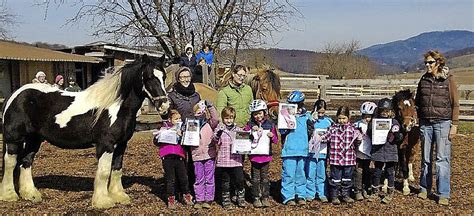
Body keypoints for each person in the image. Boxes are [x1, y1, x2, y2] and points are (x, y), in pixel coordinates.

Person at [415, 50, 460, 206]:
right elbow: (418, 101)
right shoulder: (424, 79)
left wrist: (454, 125)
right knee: (425, 159)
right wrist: (419, 119)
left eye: (430, 62)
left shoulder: (449, 80)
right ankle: (424, 188)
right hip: (426, 124)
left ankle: (443, 193)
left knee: (442, 159)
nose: (427, 65)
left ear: (438, 63)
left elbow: (455, 103)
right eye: (426, 63)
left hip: (443, 123)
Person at [318, 106, 361, 205]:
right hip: (335, 158)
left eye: (344, 118)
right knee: (335, 179)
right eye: (340, 118)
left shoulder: (353, 129)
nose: (341, 121)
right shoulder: (333, 129)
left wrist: (359, 138)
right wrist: (317, 137)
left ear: (348, 118)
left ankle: (346, 195)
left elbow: (357, 142)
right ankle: (334, 196)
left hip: (348, 159)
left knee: (347, 178)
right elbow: (325, 138)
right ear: (337, 118)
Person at [152, 110, 193, 209]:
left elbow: (187, 141)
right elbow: (156, 141)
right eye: (176, 119)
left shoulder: (182, 129)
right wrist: (161, 136)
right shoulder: (163, 128)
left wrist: (182, 135)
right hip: (167, 157)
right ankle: (171, 198)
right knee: (170, 179)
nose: (179, 120)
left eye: (179, 118)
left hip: (179, 156)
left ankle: (186, 195)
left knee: (183, 178)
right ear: (170, 119)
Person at [280, 91, 314, 206]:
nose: (295, 107)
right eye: (292, 104)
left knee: (301, 174)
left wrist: (311, 126)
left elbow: (311, 131)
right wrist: (287, 121)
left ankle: (301, 195)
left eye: (297, 104)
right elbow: (282, 131)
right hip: (289, 149)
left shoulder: (307, 116)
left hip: (302, 149)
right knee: (288, 174)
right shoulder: (284, 113)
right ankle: (288, 196)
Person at [367, 98, 403, 204]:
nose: (384, 113)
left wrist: (397, 135)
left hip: (390, 151)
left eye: (387, 111)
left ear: (391, 111)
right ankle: (375, 191)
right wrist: (372, 130)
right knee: (377, 172)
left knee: (390, 172)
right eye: (382, 110)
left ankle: (390, 192)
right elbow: (369, 134)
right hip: (378, 150)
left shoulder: (394, 122)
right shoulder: (375, 121)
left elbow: (399, 136)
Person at [244, 100, 278, 208]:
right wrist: (249, 131)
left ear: (264, 112)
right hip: (254, 157)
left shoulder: (270, 124)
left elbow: (276, 140)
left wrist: (272, 135)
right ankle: (255, 197)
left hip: (266, 156)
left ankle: (265, 197)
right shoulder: (250, 124)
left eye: (259, 113)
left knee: (265, 178)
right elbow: (244, 137)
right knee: (255, 178)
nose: (257, 116)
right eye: (255, 114)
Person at [213, 107, 247, 209]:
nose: (229, 120)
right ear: (223, 119)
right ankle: (226, 199)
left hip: (236, 160)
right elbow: (214, 140)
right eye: (226, 118)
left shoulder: (238, 130)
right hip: (224, 160)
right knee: (225, 181)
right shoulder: (220, 129)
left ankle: (240, 197)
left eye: (231, 118)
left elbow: (245, 140)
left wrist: (250, 137)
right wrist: (218, 134)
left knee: (240, 180)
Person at [188, 100, 219, 209]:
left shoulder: (210, 123)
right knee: (199, 178)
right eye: (197, 112)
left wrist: (210, 106)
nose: (200, 113)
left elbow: (216, 118)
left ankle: (209, 199)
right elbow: (186, 137)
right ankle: (199, 199)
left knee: (209, 178)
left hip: (209, 155)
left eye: (202, 111)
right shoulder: (191, 125)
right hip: (196, 155)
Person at [306, 99, 333, 203]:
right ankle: (310, 193)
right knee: (310, 173)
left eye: (323, 112)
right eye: (319, 111)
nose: (321, 114)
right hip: (311, 152)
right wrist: (312, 121)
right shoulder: (310, 118)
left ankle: (322, 193)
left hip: (322, 152)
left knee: (321, 173)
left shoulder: (328, 121)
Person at [353, 101, 377, 201]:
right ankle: (357, 190)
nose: (367, 119)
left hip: (370, 152)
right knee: (358, 170)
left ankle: (366, 187)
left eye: (369, 116)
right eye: (365, 116)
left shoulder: (375, 125)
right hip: (359, 152)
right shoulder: (357, 124)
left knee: (368, 171)